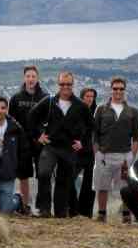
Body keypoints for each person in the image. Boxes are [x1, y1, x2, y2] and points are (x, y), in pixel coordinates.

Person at [27, 71, 91, 218]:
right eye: (62, 84)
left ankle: (60, 213)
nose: (65, 87)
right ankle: (44, 209)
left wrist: (82, 142)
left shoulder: (81, 106)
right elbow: (31, 117)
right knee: (43, 173)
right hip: (51, 145)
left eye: (68, 84)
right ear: (58, 85)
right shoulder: (49, 101)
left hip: (69, 148)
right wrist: (38, 135)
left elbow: (90, 126)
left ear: (72, 85)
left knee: (64, 181)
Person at [93, 77, 138, 223]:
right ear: (111, 89)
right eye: (115, 88)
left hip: (124, 155)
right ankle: (102, 214)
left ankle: (126, 215)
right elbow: (94, 134)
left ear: (125, 90)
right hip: (104, 155)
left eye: (121, 89)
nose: (118, 91)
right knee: (102, 186)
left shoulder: (133, 112)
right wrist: (97, 153)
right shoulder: (101, 109)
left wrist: (131, 156)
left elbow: (137, 137)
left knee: (125, 187)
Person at [9, 65, 48, 212]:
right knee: (23, 175)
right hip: (22, 143)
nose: (31, 79)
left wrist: (42, 135)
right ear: (24, 78)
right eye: (28, 76)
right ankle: (25, 206)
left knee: (42, 175)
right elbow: (11, 121)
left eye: (33, 76)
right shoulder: (16, 98)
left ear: (37, 78)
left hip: (39, 143)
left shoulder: (44, 97)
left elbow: (48, 120)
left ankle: (41, 206)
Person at [72, 87, 98, 217]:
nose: (89, 99)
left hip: (91, 152)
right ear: (82, 97)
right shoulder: (75, 111)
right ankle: (72, 210)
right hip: (77, 151)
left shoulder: (96, 112)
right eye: (87, 96)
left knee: (89, 184)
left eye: (92, 96)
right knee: (70, 180)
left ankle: (86, 213)